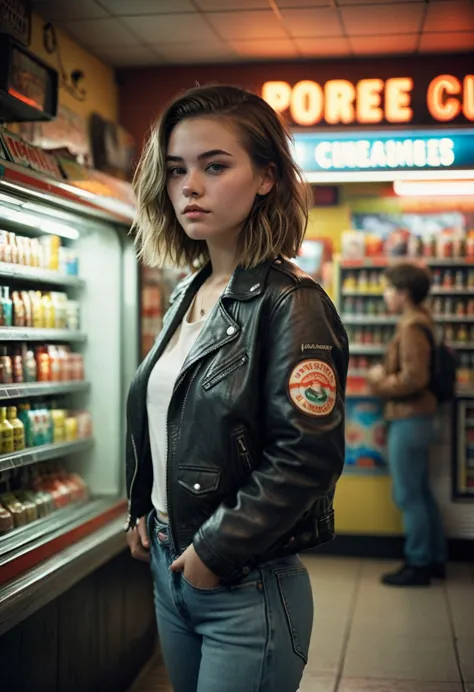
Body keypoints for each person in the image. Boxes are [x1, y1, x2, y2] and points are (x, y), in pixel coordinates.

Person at [124, 84, 348, 692]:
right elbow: (168, 417)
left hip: (243, 579)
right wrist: (142, 507)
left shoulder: (292, 303)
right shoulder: (189, 292)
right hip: (173, 567)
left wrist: (214, 554)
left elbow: (307, 456)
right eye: (176, 171)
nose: (189, 187)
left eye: (215, 165)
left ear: (266, 177)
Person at [368, 262, 446, 587]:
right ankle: (434, 558)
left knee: (408, 495)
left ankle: (418, 564)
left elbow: (415, 377)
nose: (385, 295)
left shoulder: (411, 326)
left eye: (388, 289)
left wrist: (379, 381)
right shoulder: (422, 321)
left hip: (410, 417)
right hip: (421, 418)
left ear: (403, 293)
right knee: (422, 492)